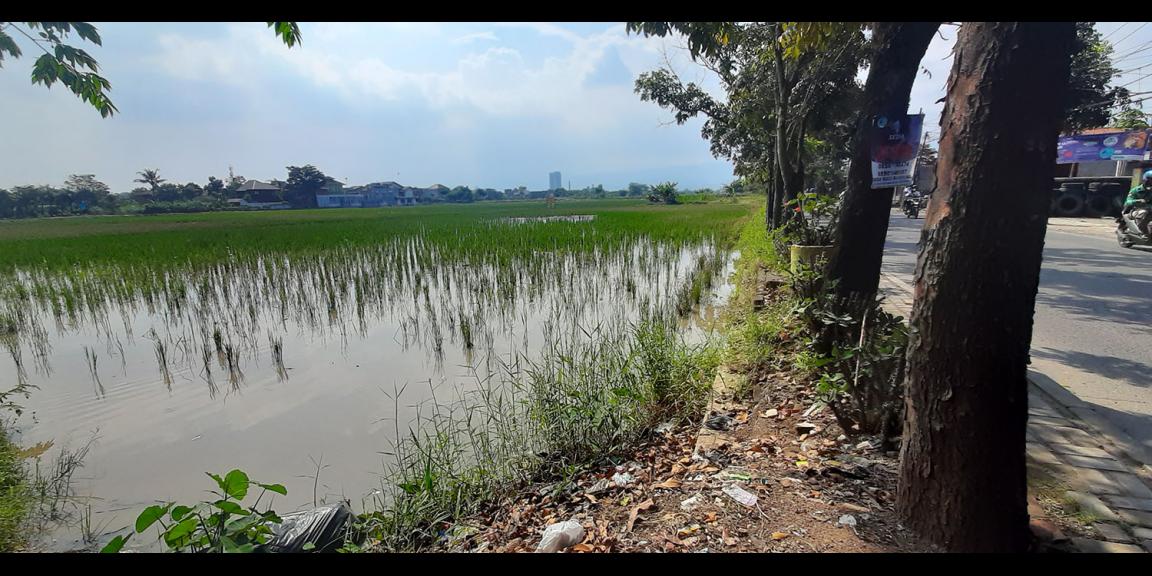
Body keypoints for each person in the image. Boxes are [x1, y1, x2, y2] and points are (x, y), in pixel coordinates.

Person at [1124, 170, 1152, 235]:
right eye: (1150, 181)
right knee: (1143, 213)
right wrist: (1137, 201)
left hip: (1150, 210)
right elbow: (1128, 202)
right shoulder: (1135, 190)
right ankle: (1142, 231)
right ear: (1145, 180)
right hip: (1135, 210)